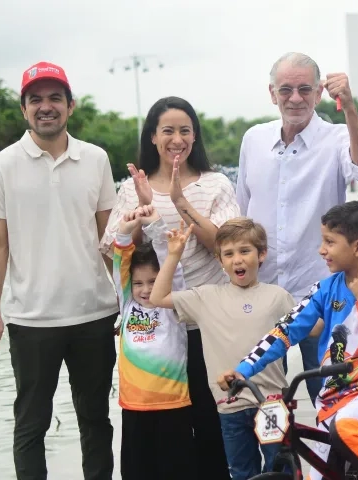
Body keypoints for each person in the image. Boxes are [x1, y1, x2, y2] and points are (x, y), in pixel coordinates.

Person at [0, 61, 119, 480]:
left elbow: (110, 240)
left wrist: (127, 303)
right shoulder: (0, 166)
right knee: (31, 425)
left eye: (55, 98)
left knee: (95, 419)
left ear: (70, 106)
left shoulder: (95, 159)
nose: (46, 107)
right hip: (31, 318)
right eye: (35, 99)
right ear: (23, 109)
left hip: (94, 313)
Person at [217, 201, 358, 480]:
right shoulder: (325, 288)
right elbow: (285, 331)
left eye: (329, 242)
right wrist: (243, 370)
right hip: (330, 401)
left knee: (346, 426)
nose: (322, 250)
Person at [100, 96, 238, 479]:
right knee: (161, 433)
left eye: (185, 130)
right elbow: (112, 253)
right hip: (155, 332)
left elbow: (226, 248)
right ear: (153, 137)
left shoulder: (216, 184)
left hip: (204, 326)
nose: (177, 139)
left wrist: (179, 201)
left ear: (195, 136)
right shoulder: (133, 188)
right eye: (168, 131)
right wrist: (141, 215)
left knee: (213, 422)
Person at [236, 52, 358, 403]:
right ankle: (280, 461)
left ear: (319, 94)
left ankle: (335, 459)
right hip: (263, 290)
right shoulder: (254, 139)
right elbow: (242, 211)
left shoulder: (335, 138)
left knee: (330, 399)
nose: (296, 98)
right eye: (286, 90)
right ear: (272, 94)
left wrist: (349, 108)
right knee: (263, 402)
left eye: (305, 89)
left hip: (321, 293)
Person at [148, 217, 295, 480]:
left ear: (261, 255)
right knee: (241, 473)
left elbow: (311, 327)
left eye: (245, 251)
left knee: (279, 469)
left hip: (271, 403)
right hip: (230, 405)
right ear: (220, 261)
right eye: (229, 254)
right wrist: (173, 255)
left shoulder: (278, 296)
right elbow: (158, 297)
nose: (237, 259)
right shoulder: (205, 297)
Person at [111, 205, 196, 479]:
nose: (146, 290)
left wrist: (157, 227)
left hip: (174, 406)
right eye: (139, 283)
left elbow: (172, 266)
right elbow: (120, 268)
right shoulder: (126, 304)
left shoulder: (172, 303)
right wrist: (124, 232)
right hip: (134, 408)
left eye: (153, 280)